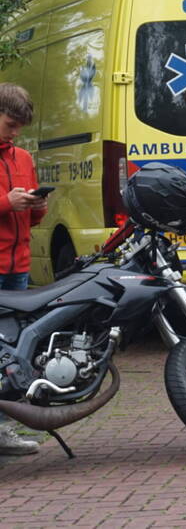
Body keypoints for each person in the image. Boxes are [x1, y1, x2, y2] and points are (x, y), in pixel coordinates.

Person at [0, 83, 48, 455]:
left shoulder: (23, 158)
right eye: (10, 124)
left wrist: (36, 205)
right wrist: (6, 202)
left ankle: (4, 430)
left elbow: (29, 220)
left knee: (13, 353)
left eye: (19, 127)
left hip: (19, 267)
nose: (15, 133)